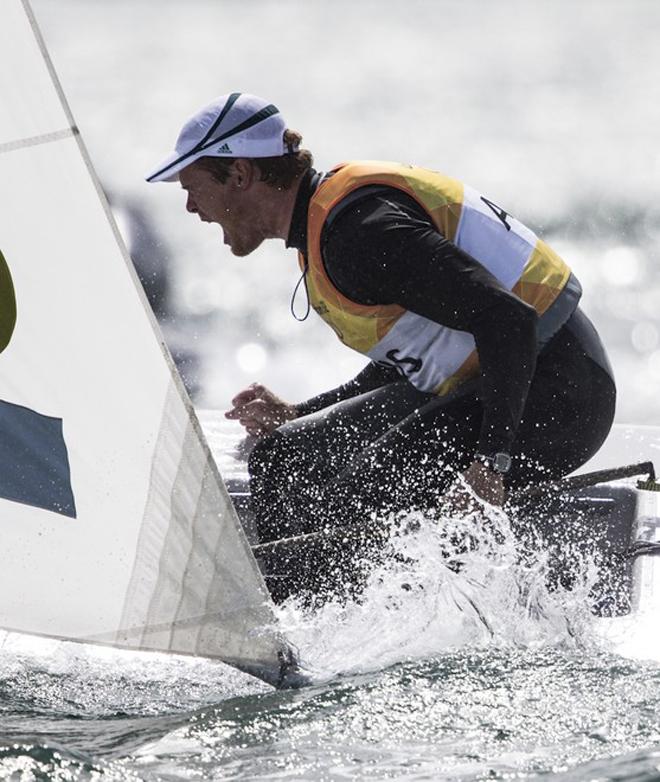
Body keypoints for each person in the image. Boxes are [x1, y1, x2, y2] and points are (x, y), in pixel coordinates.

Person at [147, 92, 616, 549]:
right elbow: (411, 360)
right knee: (282, 458)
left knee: (366, 488)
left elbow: (509, 319)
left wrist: (489, 463)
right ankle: (295, 617)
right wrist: (299, 413)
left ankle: (339, 616)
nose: (191, 208)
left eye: (193, 189)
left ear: (241, 174)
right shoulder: (325, 227)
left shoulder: (361, 234)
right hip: (508, 379)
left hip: (562, 390)